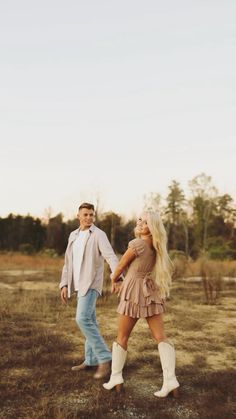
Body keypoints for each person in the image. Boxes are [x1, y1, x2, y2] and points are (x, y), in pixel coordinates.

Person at [103, 211, 180, 397]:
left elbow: (121, 265)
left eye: (145, 222)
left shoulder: (137, 244)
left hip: (133, 291)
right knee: (160, 336)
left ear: (151, 227)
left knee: (122, 336)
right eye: (139, 219)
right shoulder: (156, 246)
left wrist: (114, 280)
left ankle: (116, 377)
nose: (140, 223)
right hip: (150, 291)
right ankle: (171, 381)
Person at [59, 202, 120, 379]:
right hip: (77, 284)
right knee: (90, 320)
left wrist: (117, 277)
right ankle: (91, 360)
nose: (88, 218)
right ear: (78, 216)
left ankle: (104, 357)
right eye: (85, 214)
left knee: (82, 318)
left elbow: (110, 256)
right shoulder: (73, 235)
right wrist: (64, 284)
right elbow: (67, 263)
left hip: (91, 283)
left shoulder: (99, 235)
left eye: (91, 215)